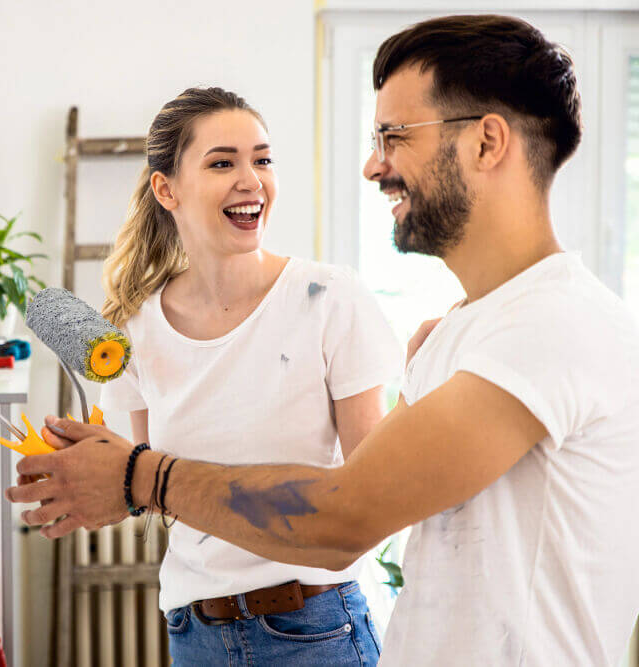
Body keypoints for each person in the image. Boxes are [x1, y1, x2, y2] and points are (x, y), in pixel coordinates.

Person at [8, 15, 639, 665]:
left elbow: (346, 514)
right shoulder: (464, 332)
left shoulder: (551, 326)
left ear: (486, 144)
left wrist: (139, 474)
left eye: (395, 136)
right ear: (165, 191)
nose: (374, 165)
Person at [37, 86, 401, 664]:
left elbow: (374, 500)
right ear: (167, 189)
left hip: (316, 630)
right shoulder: (134, 329)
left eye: (262, 159)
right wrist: (95, 476)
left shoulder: (329, 298)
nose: (251, 179)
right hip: (195, 634)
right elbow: (148, 484)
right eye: (222, 162)